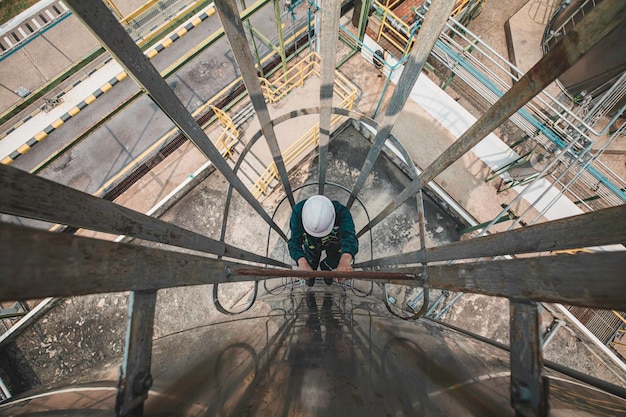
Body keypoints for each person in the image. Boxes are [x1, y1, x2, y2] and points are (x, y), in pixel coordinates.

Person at [288, 195, 358, 286]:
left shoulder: (341, 213)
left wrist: (345, 261)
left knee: (333, 260)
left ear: (333, 217)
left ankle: (326, 271)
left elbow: (349, 236)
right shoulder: (298, 213)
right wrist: (302, 262)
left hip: (334, 242)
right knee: (310, 263)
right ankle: (310, 278)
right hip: (311, 243)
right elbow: (294, 242)